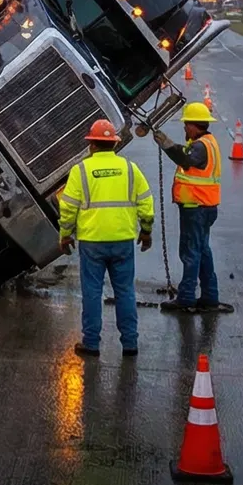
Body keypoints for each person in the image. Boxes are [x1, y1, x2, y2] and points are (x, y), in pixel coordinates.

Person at [57, 118, 155, 358]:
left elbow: (68, 208)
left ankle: (91, 344)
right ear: (114, 145)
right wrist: (146, 231)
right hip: (122, 240)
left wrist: (65, 235)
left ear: (91, 145)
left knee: (92, 292)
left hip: (92, 242)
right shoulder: (130, 169)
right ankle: (130, 344)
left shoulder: (80, 171)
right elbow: (146, 204)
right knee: (125, 291)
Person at [141, 100, 225, 313]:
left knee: (190, 252)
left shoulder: (200, 146)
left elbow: (186, 160)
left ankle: (186, 297)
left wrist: (166, 143)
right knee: (202, 251)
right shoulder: (209, 142)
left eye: (186, 124)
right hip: (205, 206)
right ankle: (209, 296)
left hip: (195, 207)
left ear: (194, 125)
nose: (184, 128)